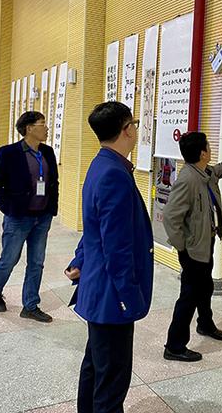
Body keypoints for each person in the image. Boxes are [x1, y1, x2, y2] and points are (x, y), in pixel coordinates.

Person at [65, 102, 153, 413]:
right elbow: (117, 246)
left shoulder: (101, 164)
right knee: (112, 381)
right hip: (111, 295)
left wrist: (80, 259)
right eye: (135, 124)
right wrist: (129, 297)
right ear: (127, 130)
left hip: (100, 288)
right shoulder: (114, 173)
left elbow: (95, 226)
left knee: (96, 366)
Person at [162, 132, 222, 362]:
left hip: (206, 244)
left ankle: (205, 324)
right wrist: (183, 247)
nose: (210, 148)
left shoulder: (205, 172)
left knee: (205, 287)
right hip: (193, 250)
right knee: (188, 297)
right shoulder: (188, 180)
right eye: (208, 145)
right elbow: (170, 217)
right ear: (202, 153)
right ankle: (174, 346)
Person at [0, 111, 58, 322]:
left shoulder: (47, 152)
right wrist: (7, 207)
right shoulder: (9, 153)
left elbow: (53, 182)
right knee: (10, 259)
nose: (47, 128)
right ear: (29, 128)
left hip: (42, 216)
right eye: (42, 124)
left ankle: (30, 305)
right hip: (18, 216)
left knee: (37, 262)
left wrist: (51, 208)